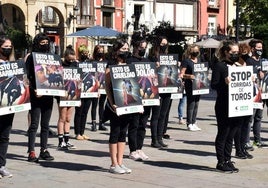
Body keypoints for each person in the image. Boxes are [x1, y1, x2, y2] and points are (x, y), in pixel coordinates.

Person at [211, 40, 241, 173]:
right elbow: (214, 85)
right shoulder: (220, 66)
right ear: (225, 52)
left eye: (237, 52)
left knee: (232, 134)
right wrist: (224, 83)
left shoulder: (238, 66)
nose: (235, 54)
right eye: (233, 52)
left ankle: (228, 159)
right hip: (224, 104)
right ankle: (221, 161)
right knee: (223, 133)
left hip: (236, 105)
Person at [105, 39, 133, 174]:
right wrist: (111, 104)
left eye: (127, 49)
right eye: (123, 49)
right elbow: (107, 87)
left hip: (128, 103)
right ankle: (113, 163)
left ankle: (120, 162)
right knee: (115, 133)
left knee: (123, 133)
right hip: (115, 105)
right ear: (116, 51)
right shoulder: (110, 65)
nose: (125, 51)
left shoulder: (129, 64)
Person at [25, 33, 54, 162]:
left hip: (48, 94)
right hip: (36, 94)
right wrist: (34, 89)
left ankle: (44, 149)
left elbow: (55, 75)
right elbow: (27, 77)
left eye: (46, 42)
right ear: (37, 44)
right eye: (42, 43)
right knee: (34, 124)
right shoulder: (31, 57)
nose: (45, 45)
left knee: (46, 125)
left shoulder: (51, 58)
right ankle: (31, 151)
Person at [126, 38, 149, 160]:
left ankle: (140, 148)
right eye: (141, 47)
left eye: (145, 47)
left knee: (143, 125)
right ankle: (132, 150)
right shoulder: (129, 61)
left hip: (146, 99)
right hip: (134, 98)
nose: (143, 50)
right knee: (134, 124)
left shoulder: (147, 61)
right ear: (135, 48)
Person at [243, 39, 268, 148]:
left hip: (263, 93)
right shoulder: (248, 61)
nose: (260, 50)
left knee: (259, 117)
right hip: (252, 93)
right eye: (258, 48)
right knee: (250, 118)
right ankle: (246, 141)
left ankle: (257, 140)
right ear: (252, 49)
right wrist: (257, 74)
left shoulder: (263, 61)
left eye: (261, 48)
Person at [148, 36, 171, 148]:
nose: (164, 46)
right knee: (156, 115)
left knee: (163, 114)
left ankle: (160, 137)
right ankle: (154, 139)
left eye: (166, 44)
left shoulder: (168, 57)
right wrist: (155, 66)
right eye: (162, 43)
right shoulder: (152, 57)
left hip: (167, 88)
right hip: (157, 88)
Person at [0, 35, 16, 178]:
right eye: (5, 47)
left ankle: (1, 165)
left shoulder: (13, 65)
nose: (8, 49)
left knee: (5, 136)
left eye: (10, 47)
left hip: (9, 106)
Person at [56, 45, 77, 150]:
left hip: (73, 94)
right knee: (62, 118)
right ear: (66, 55)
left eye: (73, 54)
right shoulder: (61, 65)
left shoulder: (76, 64)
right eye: (71, 54)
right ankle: (60, 141)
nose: (72, 56)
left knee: (68, 118)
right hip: (62, 94)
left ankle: (67, 139)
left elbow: (79, 80)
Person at [180, 44, 202, 131]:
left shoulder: (199, 60)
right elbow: (181, 74)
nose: (196, 52)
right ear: (190, 51)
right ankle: (189, 123)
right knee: (191, 103)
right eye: (194, 51)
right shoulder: (186, 61)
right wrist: (189, 76)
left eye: (197, 50)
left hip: (199, 84)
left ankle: (194, 122)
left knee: (196, 103)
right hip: (190, 84)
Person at [90, 45, 107, 131]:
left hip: (104, 87)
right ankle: (93, 123)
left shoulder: (106, 62)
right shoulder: (92, 62)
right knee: (94, 105)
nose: (100, 52)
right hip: (95, 86)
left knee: (101, 105)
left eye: (101, 50)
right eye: (98, 50)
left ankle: (101, 122)